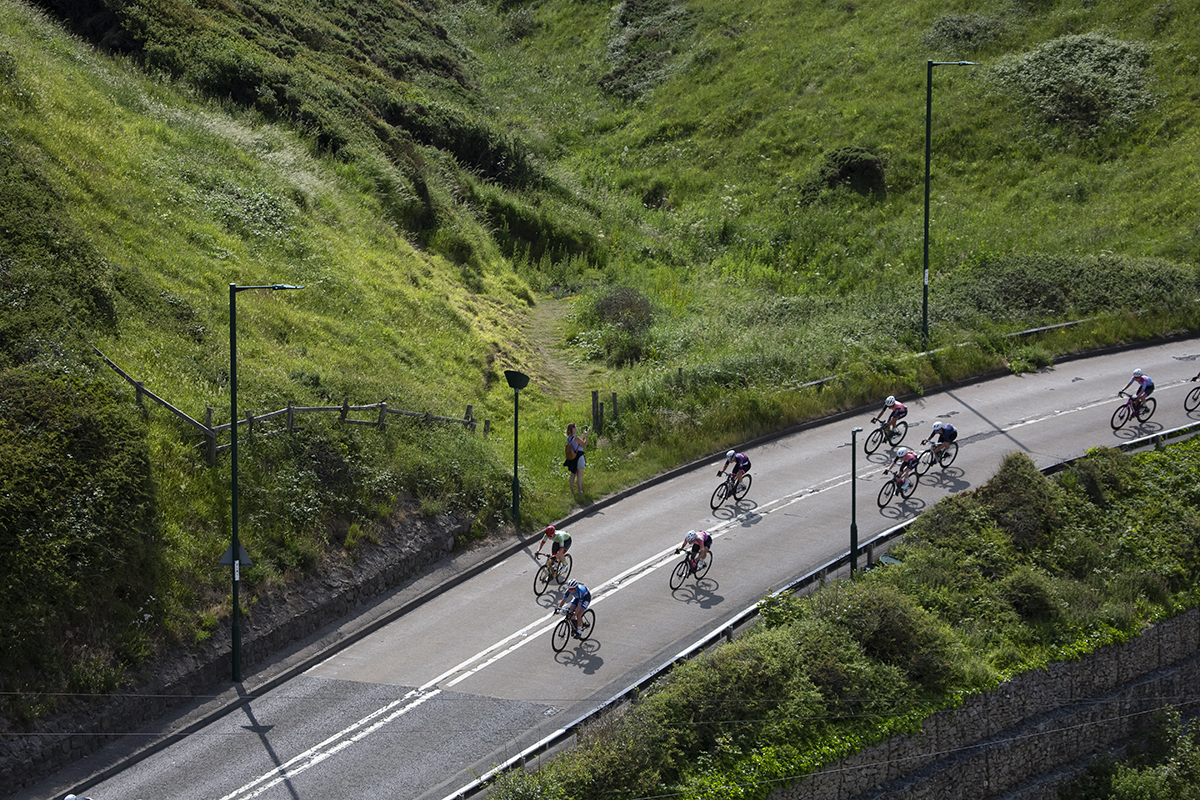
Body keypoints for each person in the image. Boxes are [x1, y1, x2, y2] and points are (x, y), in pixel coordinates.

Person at [564, 423, 590, 494]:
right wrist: (586, 436)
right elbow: (584, 444)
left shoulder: (569, 438)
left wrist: (583, 435)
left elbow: (577, 443)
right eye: (575, 427)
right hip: (579, 456)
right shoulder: (576, 438)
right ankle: (579, 490)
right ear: (573, 429)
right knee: (580, 474)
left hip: (573, 457)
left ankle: (571, 490)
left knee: (573, 473)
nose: (576, 429)